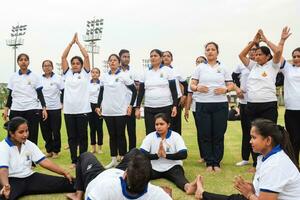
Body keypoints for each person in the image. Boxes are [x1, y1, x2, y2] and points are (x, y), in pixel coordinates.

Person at [194, 118, 300, 200]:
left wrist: (249, 194)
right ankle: (202, 193)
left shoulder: (275, 165)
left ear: (268, 140)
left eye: (254, 137)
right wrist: (253, 188)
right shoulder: (266, 158)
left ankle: (202, 194)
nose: (250, 141)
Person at [0, 117, 75, 200]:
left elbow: (44, 161)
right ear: (12, 133)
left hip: (30, 178)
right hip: (11, 180)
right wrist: (6, 186)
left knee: (72, 183)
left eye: (26, 131)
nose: (25, 134)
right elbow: (3, 170)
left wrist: (64, 172)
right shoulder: (3, 147)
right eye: (21, 132)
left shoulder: (29, 144)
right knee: (4, 196)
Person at [190, 42, 234, 172]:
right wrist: (197, 87)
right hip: (203, 104)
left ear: (217, 52)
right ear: (205, 52)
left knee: (218, 134)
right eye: (208, 49)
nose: (210, 52)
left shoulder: (224, 68)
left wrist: (225, 89)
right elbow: (192, 84)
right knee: (205, 134)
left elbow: (231, 85)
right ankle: (209, 162)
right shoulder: (199, 68)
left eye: (213, 49)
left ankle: (217, 162)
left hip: (220, 104)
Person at [66, 149, 172, 200]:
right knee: (135, 151)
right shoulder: (156, 193)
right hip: (118, 173)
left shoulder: (106, 188)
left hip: (96, 177)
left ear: (125, 175)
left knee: (85, 155)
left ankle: (78, 195)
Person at [140, 113, 201, 196]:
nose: (158, 126)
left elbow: (183, 154)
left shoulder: (176, 136)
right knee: (141, 176)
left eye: (162, 124)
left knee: (179, 179)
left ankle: (189, 187)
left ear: (168, 125)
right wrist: (156, 156)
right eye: (156, 124)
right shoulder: (150, 136)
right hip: (154, 167)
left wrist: (166, 156)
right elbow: (142, 153)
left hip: (172, 166)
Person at [239, 28, 290, 125]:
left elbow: (278, 52)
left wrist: (266, 40)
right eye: (256, 54)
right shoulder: (253, 66)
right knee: (254, 132)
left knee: (268, 132)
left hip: (268, 104)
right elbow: (241, 55)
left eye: (260, 54)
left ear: (267, 56)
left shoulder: (273, 65)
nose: (257, 56)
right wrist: (253, 42)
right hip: (252, 104)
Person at [95, 54, 137, 168]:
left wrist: (130, 106)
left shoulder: (124, 76)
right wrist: (98, 106)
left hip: (120, 111)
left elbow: (134, 91)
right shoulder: (104, 77)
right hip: (108, 111)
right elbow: (101, 93)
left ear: (119, 63)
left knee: (120, 135)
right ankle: (113, 159)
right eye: (110, 60)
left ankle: (123, 160)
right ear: (108, 63)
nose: (112, 62)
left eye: (115, 60)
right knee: (112, 135)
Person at [2, 53, 48, 145]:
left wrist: (44, 108)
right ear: (18, 62)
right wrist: (6, 109)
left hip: (32, 109)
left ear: (28, 62)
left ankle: (32, 158)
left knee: (32, 136)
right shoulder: (13, 77)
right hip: (16, 109)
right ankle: (15, 157)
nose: (23, 62)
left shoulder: (35, 76)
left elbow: (40, 94)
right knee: (14, 135)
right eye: (21, 60)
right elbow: (10, 95)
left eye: (25, 60)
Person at [61, 33, 91, 167]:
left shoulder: (85, 74)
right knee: (72, 138)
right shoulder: (67, 74)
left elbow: (86, 56)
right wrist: (70, 43)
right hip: (69, 111)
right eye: (73, 63)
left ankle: (83, 160)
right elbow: (63, 57)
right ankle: (74, 160)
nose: (75, 65)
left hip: (83, 110)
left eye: (77, 63)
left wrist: (78, 43)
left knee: (83, 137)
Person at [136, 49, 178, 134]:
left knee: (165, 133)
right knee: (150, 133)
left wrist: (174, 106)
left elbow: (174, 90)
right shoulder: (145, 72)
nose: (153, 58)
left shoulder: (168, 70)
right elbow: (140, 92)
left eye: (155, 56)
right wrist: (137, 108)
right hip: (149, 108)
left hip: (165, 107)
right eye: (151, 56)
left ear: (161, 58)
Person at [233, 43, 259, 168]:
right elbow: (232, 78)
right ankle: (245, 158)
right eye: (250, 49)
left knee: (257, 131)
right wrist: (238, 89)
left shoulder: (261, 64)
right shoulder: (241, 65)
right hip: (244, 103)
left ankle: (258, 159)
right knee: (246, 131)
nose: (252, 52)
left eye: (254, 49)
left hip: (257, 102)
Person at [185, 55, 207, 163]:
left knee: (209, 132)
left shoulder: (209, 75)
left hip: (208, 105)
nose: (200, 63)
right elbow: (189, 94)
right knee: (201, 132)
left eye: (202, 61)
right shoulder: (193, 78)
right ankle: (203, 155)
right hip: (196, 108)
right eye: (198, 62)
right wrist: (187, 109)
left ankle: (211, 155)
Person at [40, 59, 63, 158]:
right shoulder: (39, 79)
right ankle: (49, 150)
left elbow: (63, 91)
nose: (47, 67)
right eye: (45, 65)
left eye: (49, 65)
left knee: (56, 130)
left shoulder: (58, 78)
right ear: (42, 68)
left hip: (55, 108)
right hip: (42, 109)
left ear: (52, 67)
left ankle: (56, 151)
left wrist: (62, 103)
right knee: (45, 131)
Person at [281, 46, 300, 165]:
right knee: (294, 139)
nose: (296, 58)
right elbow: (277, 53)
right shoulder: (287, 68)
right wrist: (267, 40)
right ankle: (294, 165)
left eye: (299, 56)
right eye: (294, 57)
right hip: (292, 110)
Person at [162, 51, 188, 134]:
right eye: (164, 56)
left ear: (171, 59)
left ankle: (177, 145)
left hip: (176, 100)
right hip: (163, 101)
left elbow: (185, 85)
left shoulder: (176, 71)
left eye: (168, 56)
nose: (166, 57)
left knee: (176, 126)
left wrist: (184, 96)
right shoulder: (158, 71)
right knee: (164, 124)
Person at [119, 49, 139, 150]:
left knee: (131, 131)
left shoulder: (133, 71)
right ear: (120, 58)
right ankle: (122, 154)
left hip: (131, 105)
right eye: (124, 57)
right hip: (118, 106)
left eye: (128, 57)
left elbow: (138, 87)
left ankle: (132, 153)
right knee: (120, 131)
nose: (126, 59)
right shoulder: (115, 72)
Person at [88, 67, 103, 154]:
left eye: (96, 72)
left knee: (99, 128)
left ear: (99, 74)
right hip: (89, 107)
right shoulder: (87, 84)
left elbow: (103, 97)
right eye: (93, 72)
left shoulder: (101, 84)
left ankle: (100, 147)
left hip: (99, 107)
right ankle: (93, 147)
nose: (94, 74)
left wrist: (100, 107)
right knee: (92, 128)